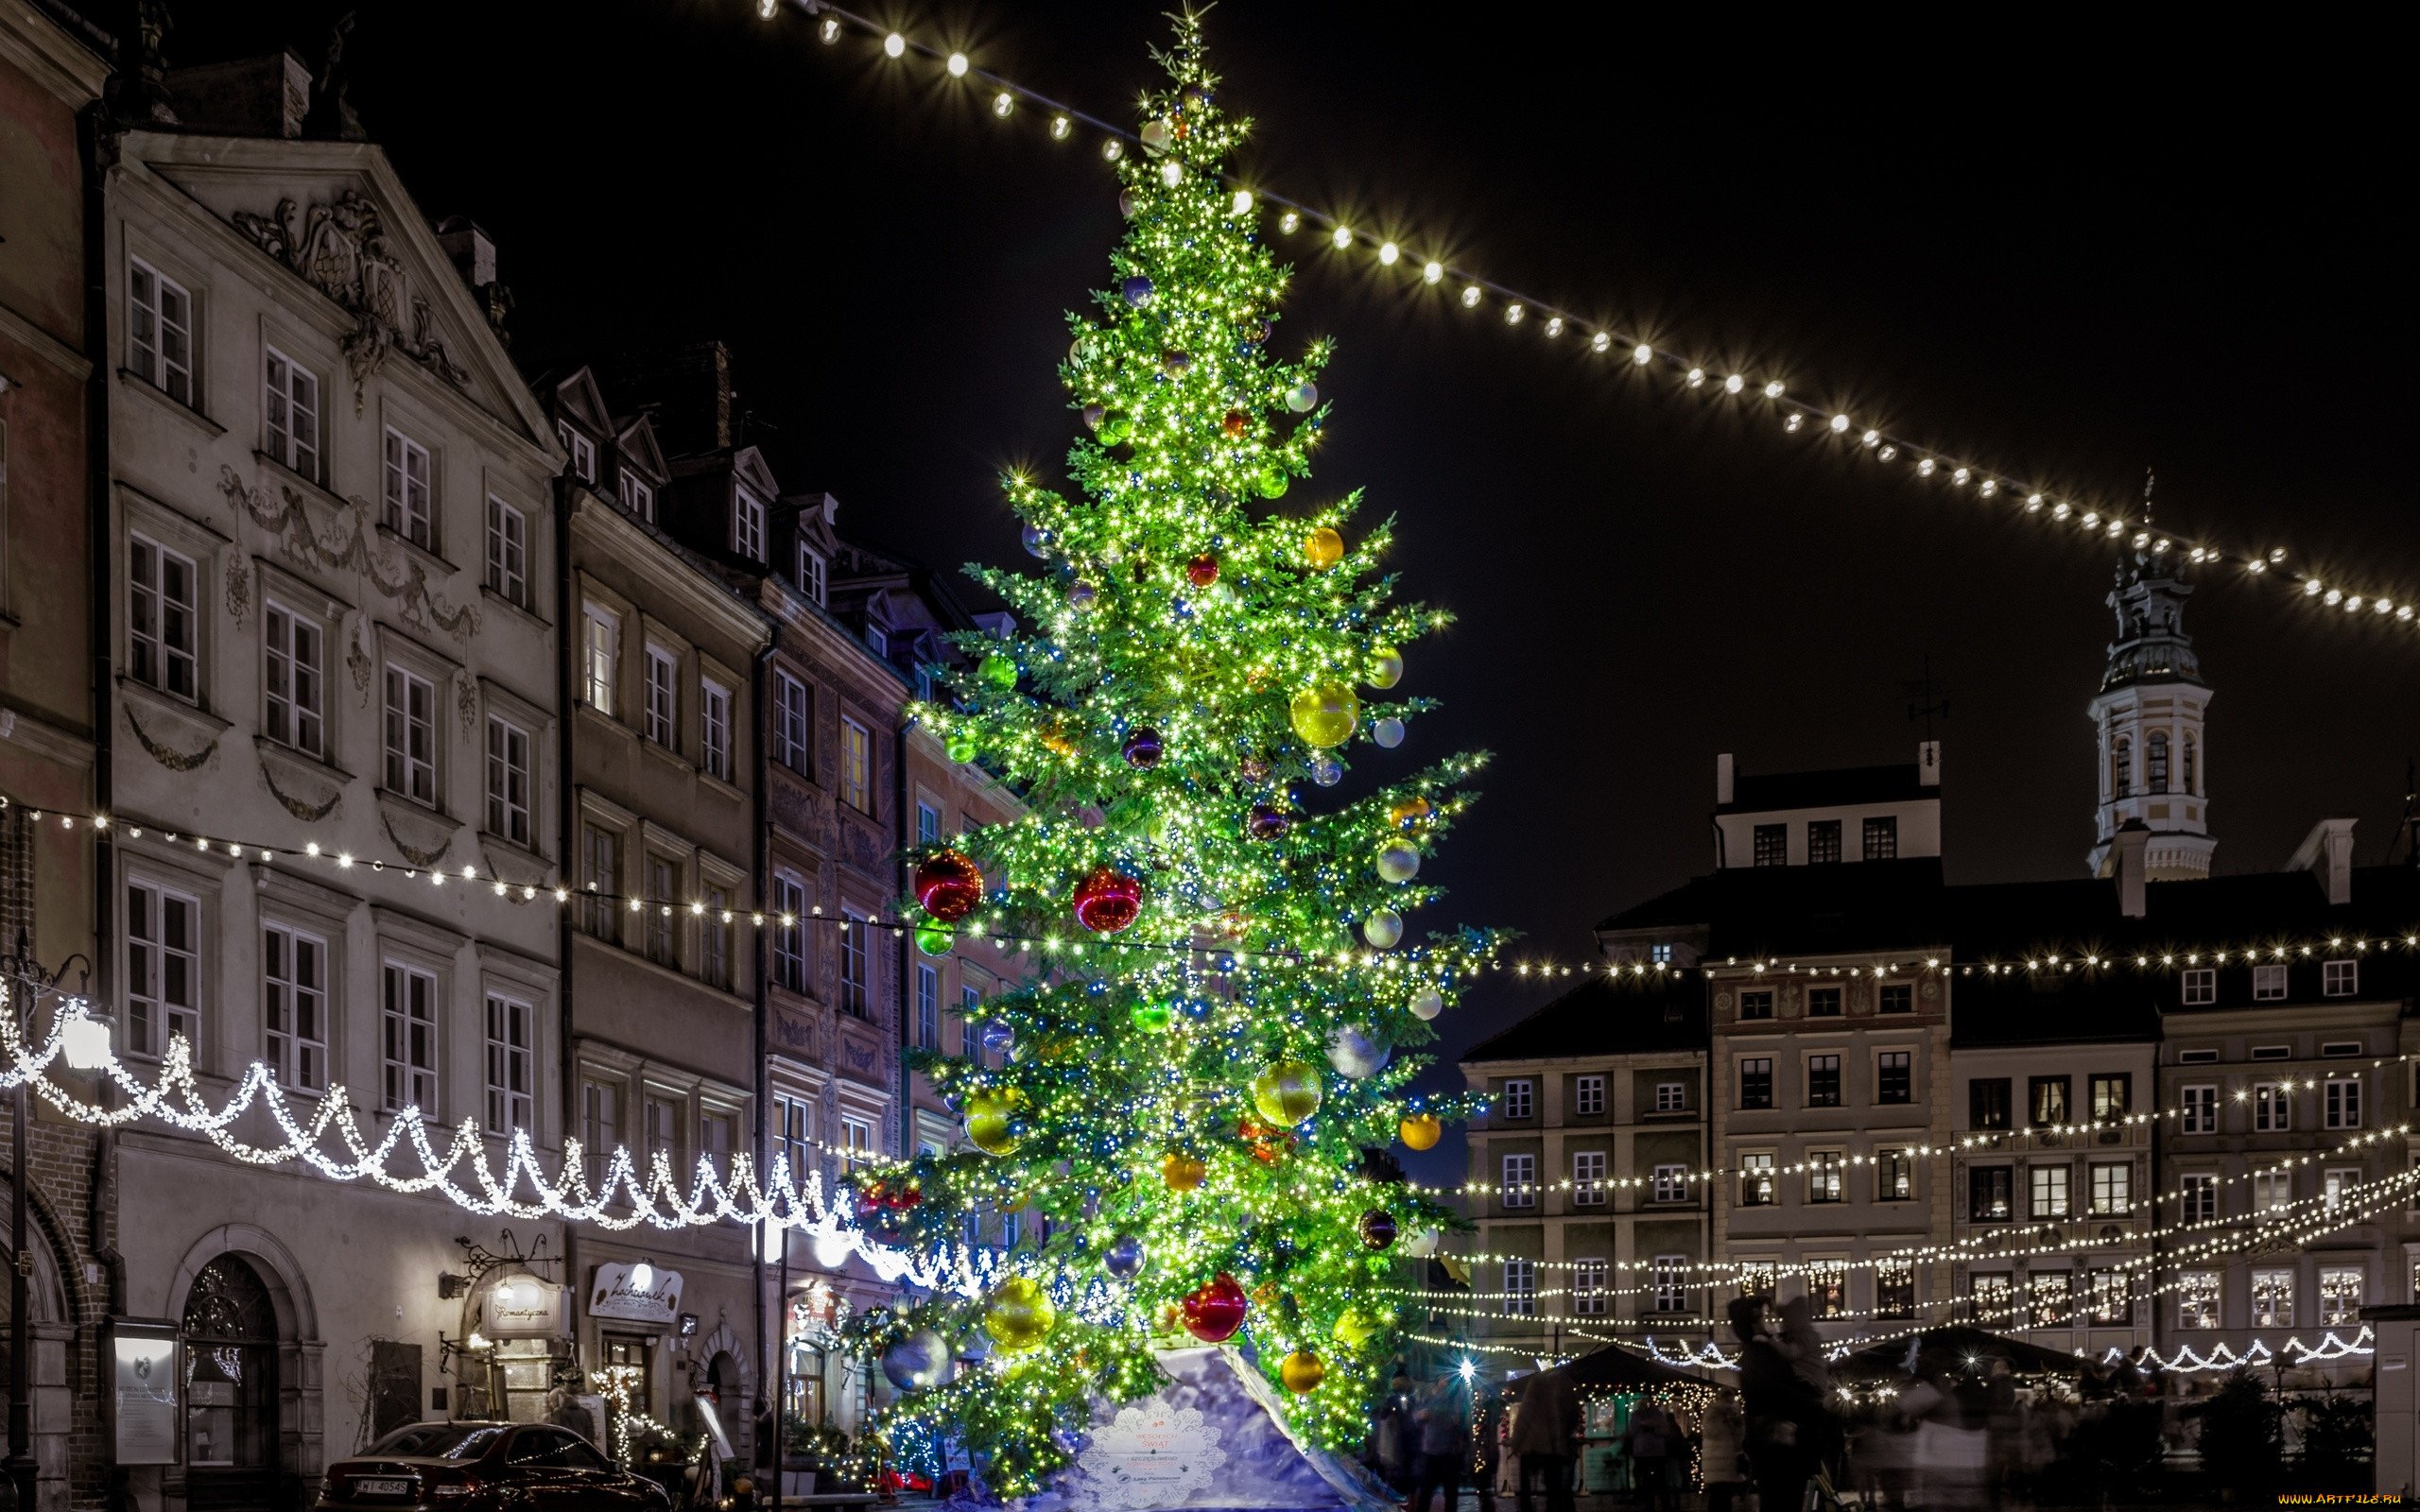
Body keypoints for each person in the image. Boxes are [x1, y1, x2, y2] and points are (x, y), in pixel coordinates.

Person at [1732, 1297, 1821, 1512]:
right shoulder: (1760, 1353)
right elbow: (1772, 1391)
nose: (1770, 1320)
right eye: (1764, 1315)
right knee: (1782, 1499)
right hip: (1779, 1444)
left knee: (1780, 1499)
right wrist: (1809, 1400)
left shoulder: (1764, 1349)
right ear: (1753, 1323)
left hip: (1779, 1443)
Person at [1510, 1367, 1580, 1512]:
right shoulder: (1567, 1385)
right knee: (1554, 1488)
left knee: (1526, 1487)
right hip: (1553, 1447)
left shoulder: (1537, 1382)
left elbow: (1525, 1415)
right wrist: (1560, 1441)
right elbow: (1571, 1417)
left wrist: (1515, 1443)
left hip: (1532, 1445)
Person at [1409, 1377, 1470, 1512]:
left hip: (1449, 1450)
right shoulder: (1429, 1395)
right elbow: (1416, 1415)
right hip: (1432, 1450)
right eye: (1443, 1379)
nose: (1445, 1382)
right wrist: (1419, 1416)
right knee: (1428, 1490)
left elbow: (1462, 1421)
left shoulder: (1456, 1396)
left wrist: (1458, 1421)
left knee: (1448, 1492)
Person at [1622, 1398, 1675, 1512]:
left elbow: (1632, 1432)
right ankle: (1665, 1504)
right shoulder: (1658, 1415)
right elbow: (1665, 1431)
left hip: (1642, 1452)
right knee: (1661, 1480)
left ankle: (1649, 1504)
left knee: (1646, 1479)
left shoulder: (1637, 1416)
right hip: (1657, 1452)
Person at [1700, 1392, 1748, 1512]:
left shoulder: (1719, 1412)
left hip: (1720, 1462)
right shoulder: (1719, 1412)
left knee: (1720, 1497)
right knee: (1722, 1497)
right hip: (1721, 1461)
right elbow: (1715, 1432)